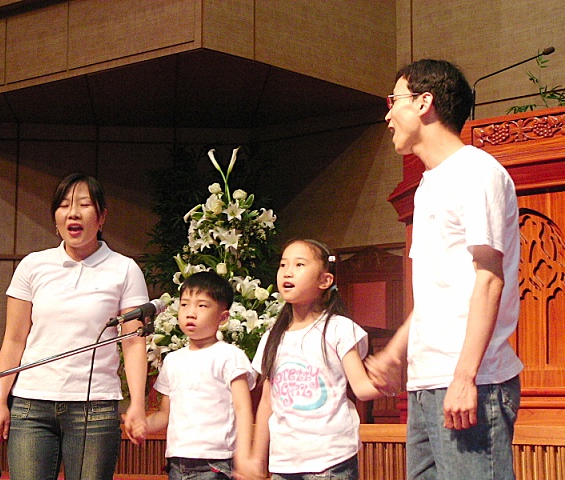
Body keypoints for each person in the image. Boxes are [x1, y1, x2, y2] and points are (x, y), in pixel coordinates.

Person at [365, 59, 523, 479]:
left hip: (472, 380)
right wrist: (395, 352)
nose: (387, 116)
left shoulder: (477, 172)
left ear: (424, 102)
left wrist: (465, 377)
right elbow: (438, 293)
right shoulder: (428, 184)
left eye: (394, 101)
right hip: (427, 380)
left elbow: (489, 278)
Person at [0, 173, 150, 480]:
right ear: (55, 218)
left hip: (95, 408)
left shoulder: (124, 269)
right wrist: (0, 400)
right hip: (31, 406)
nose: (73, 213)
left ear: (101, 217)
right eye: (64, 205)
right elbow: (14, 339)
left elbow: (133, 342)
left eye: (84, 205)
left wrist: (138, 404)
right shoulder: (33, 265)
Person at [247, 239, 383, 480]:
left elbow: (361, 387)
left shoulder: (339, 328)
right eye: (283, 264)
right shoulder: (272, 336)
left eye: (299, 264)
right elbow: (267, 400)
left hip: (329, 458)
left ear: (325, 280)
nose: (287, 272)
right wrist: (257, 457)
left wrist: (386, 382)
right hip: (284, 462)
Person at [139, 270, 256, 480]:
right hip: (176, 463)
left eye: (202, 306)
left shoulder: (230, 356)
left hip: (215, 462)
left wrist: (244, 455)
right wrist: (143, 425)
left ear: (223, 317)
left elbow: (243, 409)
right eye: (184, 304)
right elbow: (165, 414)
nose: (190, 313)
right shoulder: (172, 360)